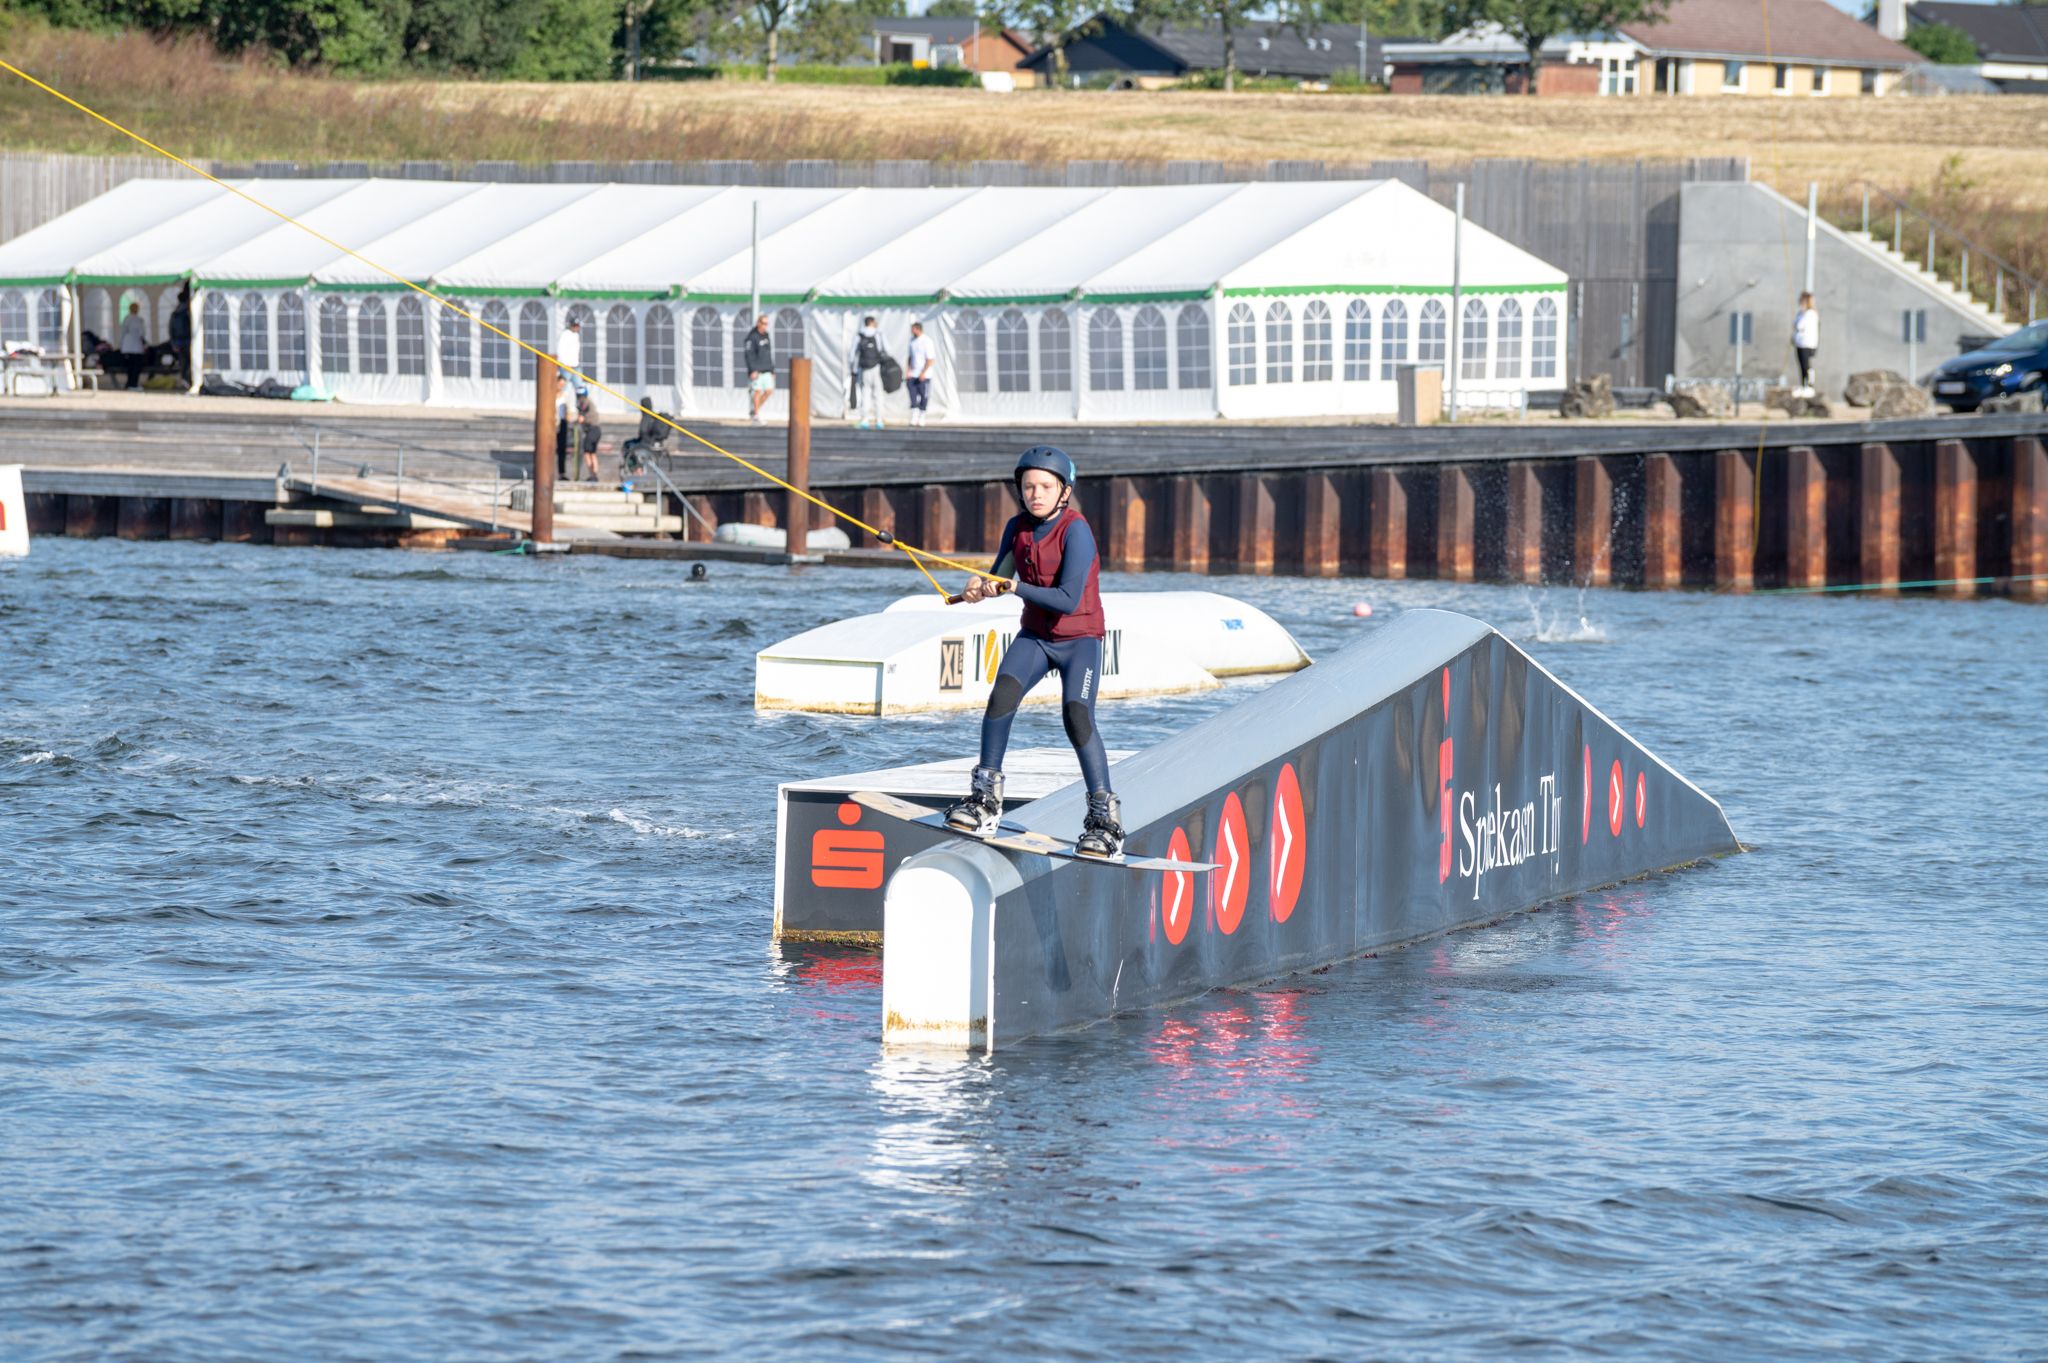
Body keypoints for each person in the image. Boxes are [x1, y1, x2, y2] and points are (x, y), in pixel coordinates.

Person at [944, 446, 1122, 859]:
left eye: (1045, 486)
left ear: (1064, 491)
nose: (1035, 494)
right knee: (1001, 696)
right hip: (1037, 638)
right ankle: (985, 800)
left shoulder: (1076, 530)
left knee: (1077, 716)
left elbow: (1065, 598)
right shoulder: (1017, 528)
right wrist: (980, 588)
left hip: (1080, 641)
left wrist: (1013, 588)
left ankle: (1104, 822)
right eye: (1028, 487)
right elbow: (999, 576)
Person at [850, 315, 884, 429]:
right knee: (878, 394)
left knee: (865, 394)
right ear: (872, 322)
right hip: (877, 368)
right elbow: (886, 349)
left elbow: (852, 353)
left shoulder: (860, 335)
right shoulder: (878, 334)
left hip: (864, 369)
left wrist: (853, 368)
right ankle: (879, 420)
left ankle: (865, 420)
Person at [745, 315, 775, 424]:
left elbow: (768, 353)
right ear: (758, 323)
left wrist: (772, 369)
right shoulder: (752, 337)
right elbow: (748, 354)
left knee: (768, 390)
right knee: (757, 391)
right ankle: (756, 415)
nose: (765, 326)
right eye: (763, 323)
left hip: (766, 368)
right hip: (756, 369)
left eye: (767, 324)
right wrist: (752, 369)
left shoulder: (766, 336)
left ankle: (755, 410)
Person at [905, 320, 934, 427]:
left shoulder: (927, 341)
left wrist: (923, 372)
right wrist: (908, 370)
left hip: (924, 374)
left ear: (918, 329)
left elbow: (930, 359)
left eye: (913, 329)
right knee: (912, 395)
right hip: (913, 373)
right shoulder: (912, 341)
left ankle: (922, 415)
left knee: (923, 395)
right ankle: (914, 415)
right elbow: (910, 357)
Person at [1792, 292, 1819, 397]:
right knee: (1801, 365)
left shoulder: (1810, 313)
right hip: (1799, 343)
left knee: (1806, 365)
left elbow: (1800, 325)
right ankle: (1803, 385)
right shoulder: (1801, 313)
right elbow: (1794, 324)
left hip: (1807, 343)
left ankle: (1809, 386)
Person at [118, 301, 148, 389]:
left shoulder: (126, 319)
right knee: (136, 367)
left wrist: (122, 344)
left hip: (127, 346)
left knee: (130, 367)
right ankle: (133, 384)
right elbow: (142, 333)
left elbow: (123, 333)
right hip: (136, 347)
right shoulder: (139, 320)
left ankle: (129, 384)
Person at [168, 288, 192, 384]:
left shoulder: (175, 313)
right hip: (187, 341)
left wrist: (173, 343)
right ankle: (188, 379)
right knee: (189, 361)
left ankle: (184, 379)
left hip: (178, 341)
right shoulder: (188, 311)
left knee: (183, 362)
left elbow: (171, 329)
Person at [555, 315, 583, 379]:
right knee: (563, 385)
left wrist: (576, 363)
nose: (576, 327)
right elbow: (560, 350)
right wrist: (563, 363)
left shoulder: (576, 335)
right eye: (574, 325)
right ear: (571, 325)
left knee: (580, 386)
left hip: (575, 366)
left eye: (577, 326)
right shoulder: (565, 334)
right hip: (566, 366)